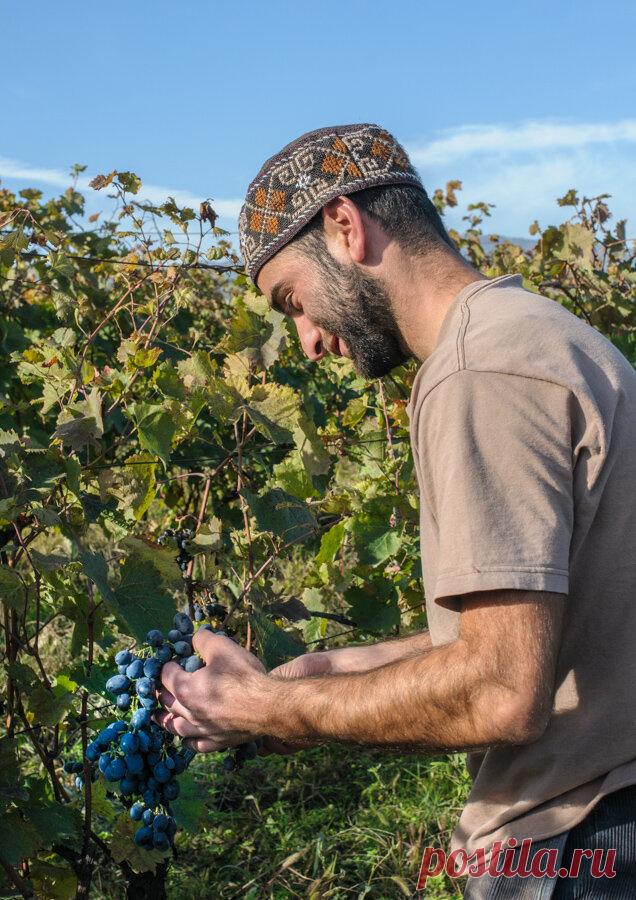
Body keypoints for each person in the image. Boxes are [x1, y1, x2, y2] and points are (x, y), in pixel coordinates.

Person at [155, 124, 636, 896]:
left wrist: (269, 710)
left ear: (346, 227)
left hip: (580, 843)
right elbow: (528, 625)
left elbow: (500, 690)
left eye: (294, 301)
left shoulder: (478, 372)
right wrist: (309, 675)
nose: (307, 340)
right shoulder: (543, 335)